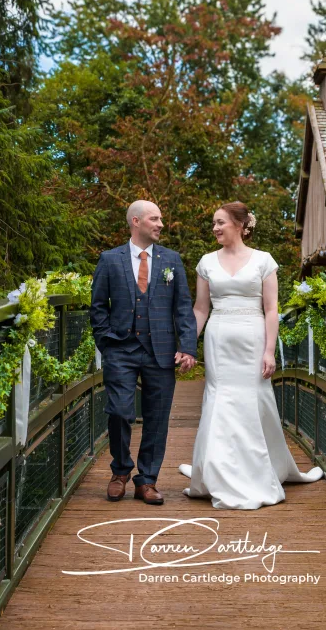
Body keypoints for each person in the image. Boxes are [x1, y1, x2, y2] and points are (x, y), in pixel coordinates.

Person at [179, 201, 323, 509]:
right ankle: (217, 472)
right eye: (213, 224)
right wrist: (188, 344)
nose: (215, 228)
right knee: (220, 400)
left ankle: (261, 469)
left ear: (239, 224)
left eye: (220, 222)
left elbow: (272, 309)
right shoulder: (206, 262)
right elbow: (201, 309)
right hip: (218, 340)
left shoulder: (263, 261)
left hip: (253, 338)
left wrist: (270, 351)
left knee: (252, 400)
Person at [89, 200, 198, 505]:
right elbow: (97, 308)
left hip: (160, 351)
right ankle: (120, 471)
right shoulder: (110, 260)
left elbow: (182, 308)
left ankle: (146, 480)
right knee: (120, 411)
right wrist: (106, 342)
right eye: (155, 219)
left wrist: (187, 347)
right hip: (120, 350)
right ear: (135, 221)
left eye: (161, 218)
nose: (161, 224)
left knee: (157, 417)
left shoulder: (171, 261)